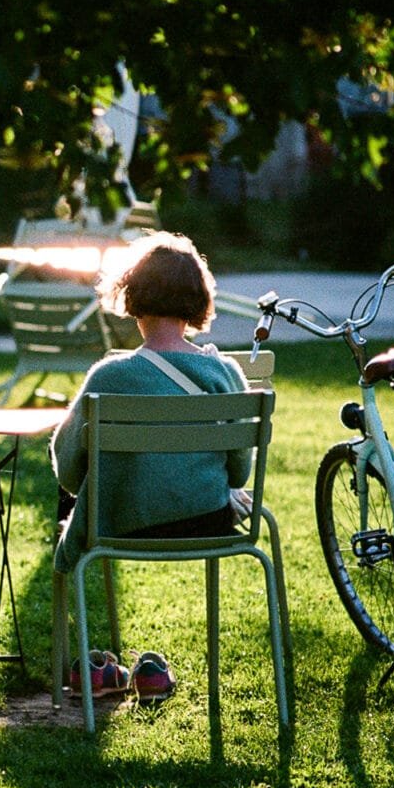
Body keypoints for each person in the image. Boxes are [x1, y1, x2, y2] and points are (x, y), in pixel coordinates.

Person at [49, 231, 252, 575]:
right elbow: (240, 472)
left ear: (132, 296)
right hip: (208, 523)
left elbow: (68, 468)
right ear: (197, 300)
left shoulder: (107, 378)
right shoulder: (225, 373)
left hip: (124, 525)